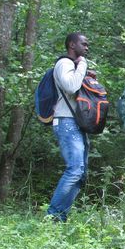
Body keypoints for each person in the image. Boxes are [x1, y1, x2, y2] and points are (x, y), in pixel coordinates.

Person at [46, 32, 92, 222]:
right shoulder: (64, 64)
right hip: (66, 122)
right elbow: (71, 86)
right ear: (72, 45)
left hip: (75, 122)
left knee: (80, 173)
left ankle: (60, 217)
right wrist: (82, 65)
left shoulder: (72, 65)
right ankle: (52, 216)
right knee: (74, 170)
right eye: (84, 44)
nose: (87, 47)